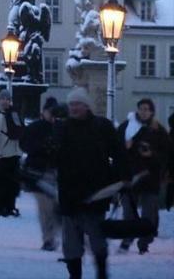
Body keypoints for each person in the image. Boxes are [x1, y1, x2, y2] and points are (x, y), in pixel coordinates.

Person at [52, 87, 128, 279]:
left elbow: (119, 154)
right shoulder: (62, 128)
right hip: (69, 194)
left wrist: (120, 177)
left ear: (87, 106)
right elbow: (52, 155)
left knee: (97, 240)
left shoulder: (102, 127)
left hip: (96, 193)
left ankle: (102, 274)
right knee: (71, 244)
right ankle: (74, 276)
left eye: (77, 104)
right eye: (71, 104)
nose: (74, 108)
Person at [117, 98, 170, 254]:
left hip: (149, 177)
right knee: (129, 212)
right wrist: (125, 147)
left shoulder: (158, 130)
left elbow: (166, 154)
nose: (144, 112)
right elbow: (117, 149)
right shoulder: (127, 127)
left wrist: (151, 154)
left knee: (149, 214)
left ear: (152, 111)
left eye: (147, 109)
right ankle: (127, 239)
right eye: (141, 108)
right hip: (130, 176)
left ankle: (144, 242)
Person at [21, 96, 64, 250]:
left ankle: (54, 235)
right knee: (45, 208)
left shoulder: (61, 128)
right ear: (44, 112)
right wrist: (42, 147)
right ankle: (48, 238)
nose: (52, 115)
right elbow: (24, 145)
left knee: (56, 207)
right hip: (38, 174)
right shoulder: (35, 128)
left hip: (56, 173)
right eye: (49, 111)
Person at [0, 89, 23, 217]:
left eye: (7, 99)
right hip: (2, 156)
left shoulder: (13, 114)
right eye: (3, 99)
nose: (5, 101)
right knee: (0, 184)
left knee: (12, 184)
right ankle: (0, 208)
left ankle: (10, 206)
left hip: (13, 154)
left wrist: (19, 152)